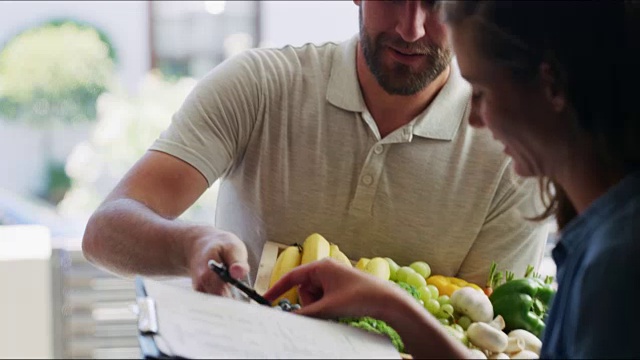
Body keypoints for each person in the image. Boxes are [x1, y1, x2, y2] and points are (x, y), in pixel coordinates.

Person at [81, 0, 549, 296]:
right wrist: (190, 245)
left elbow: (482, 333)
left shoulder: (511, 148)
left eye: (434, 3)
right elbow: (105, 231)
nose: (411, 27)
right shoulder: (259, 86)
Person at [265, 1, 640, 358]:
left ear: (552, 86)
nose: (475, 119)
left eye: (480, 91)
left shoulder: (616, 266)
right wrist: (388, 305)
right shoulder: (604, 238)